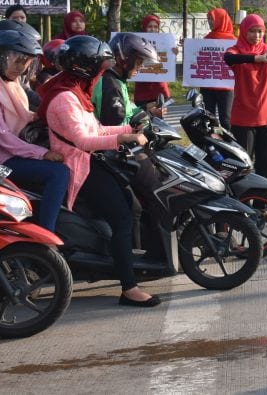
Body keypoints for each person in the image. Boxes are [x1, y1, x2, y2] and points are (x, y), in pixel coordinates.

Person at [37, 35, 156, 307]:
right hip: (79, 166)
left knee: (128, 205)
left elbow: (97, 129)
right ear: (86, 67)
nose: (103, 71)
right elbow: (83, 141)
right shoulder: (65, 98)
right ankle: (129, 288)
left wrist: (130, 130)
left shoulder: (75, 92)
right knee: (122, 218)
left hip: (91, 161)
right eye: (100, 67)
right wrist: (123, 139)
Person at [0, 29, 69, 232]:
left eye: (26, 63)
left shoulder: (10, 84)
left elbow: (24, 115)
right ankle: (46, 233)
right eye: (17, 61)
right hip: (3, 159)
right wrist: (43, 154)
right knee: (59, 173)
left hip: (12, 152)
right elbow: (4, 138)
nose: (21, 68)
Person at [224, 14, 267, 181]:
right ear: (243, 32)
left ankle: (262, 203)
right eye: (252, 31)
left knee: (265, 162)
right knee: (243, 163)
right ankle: (242, 202)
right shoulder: (237, 50)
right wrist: (257, 59)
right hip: (243, 118)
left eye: (260, 31)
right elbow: (228, 58)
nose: (257, 35)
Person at [93, 33, 160, 127]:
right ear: (122, 60)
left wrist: (145, 108)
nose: (139, 68)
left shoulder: (116, 80)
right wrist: (147, 116)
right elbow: (116, 126)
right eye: (138, 63)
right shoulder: (111, 85)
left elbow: (125, 111)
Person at [201, 7, 236, 130]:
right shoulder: (206, 39)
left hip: (226, 87)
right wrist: (188, 47)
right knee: (208, 119)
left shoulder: (233, 41)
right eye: (208, 19)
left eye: (212, 19)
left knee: (226, 119)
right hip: (207, 87)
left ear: (221, 20)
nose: (210, 22)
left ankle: (231, 144)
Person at [132, 14, 172, 115]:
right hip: (142, 90)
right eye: (150, 26)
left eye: (155, 27)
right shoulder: (137, 41)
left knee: (159, 121)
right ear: (144, 27)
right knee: (144, 121)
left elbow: (169, 59)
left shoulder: (165, 42)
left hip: (159, 89)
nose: (153, 29)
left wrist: (174, 51)